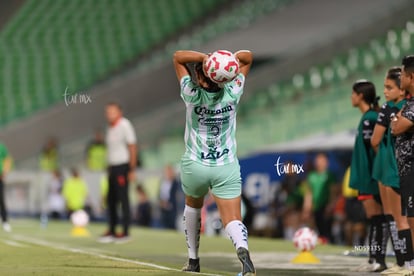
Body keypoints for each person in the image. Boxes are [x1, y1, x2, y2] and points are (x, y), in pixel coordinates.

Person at [173, 49, 255, 275]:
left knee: (192, 206)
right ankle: (243, 251)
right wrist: (229, 59)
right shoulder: (233, 90)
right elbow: (247, 57)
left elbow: (178, 57)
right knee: (232, 219)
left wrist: (203, 59)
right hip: (225, 165)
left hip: (195, 165)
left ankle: (193, 261)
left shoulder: (191, 93)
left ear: (200, 77)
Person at [371, 66, 412, 274]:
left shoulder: (391, 109)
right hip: (401, 167)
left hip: (396, 168)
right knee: (400, 218)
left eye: (389, 87)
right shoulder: (405, 107)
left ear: (402, 88)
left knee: (400, 218)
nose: (385, 91)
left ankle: (406, 263)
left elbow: (375, 140)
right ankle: (403, 263)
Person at [349, 80, 388, 272]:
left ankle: (379, 259)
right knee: (374, 220)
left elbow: (376, 147)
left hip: (371, 177)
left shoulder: (370, 118)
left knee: (378, 219)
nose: (351, 97)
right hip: (367, 177)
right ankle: (374, 258)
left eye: (353, 94)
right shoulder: (367, 117)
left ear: (361, 95)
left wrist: (378, 173)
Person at [99, 102, 137, 243]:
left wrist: (132, 169)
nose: (109, 115)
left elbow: (132, 146)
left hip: (122, 166)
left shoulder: (124, 125)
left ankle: (125, 231)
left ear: (119, 112)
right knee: (111, 200)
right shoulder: (109, 128)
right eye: (107, 112)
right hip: (113, 168)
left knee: (123, 199)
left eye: (112, 112)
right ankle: (112, 230)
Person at [391, 55, 414, 273]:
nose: (401, 79)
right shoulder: (410, 103)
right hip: (408, 170)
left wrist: (396, 119)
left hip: (413, 169)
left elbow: (396, 128)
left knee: (413, 218)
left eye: (403, 75)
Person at [302, 153, 338, 243]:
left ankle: (330, 243)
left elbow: (333, 192)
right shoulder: (312, 176)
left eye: (322, 160)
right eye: (318, 160)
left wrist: (331, 205)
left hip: (326, 206)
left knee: (327, 229)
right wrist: (306, 209)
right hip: (316, 207)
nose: (320, 163)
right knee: (317, 228)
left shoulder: (329, 175)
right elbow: (309, 194)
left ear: (327, 162)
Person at [159, 165, 180, 230]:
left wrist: (169, 203)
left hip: (172, 209)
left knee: (172, 227)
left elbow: (177, 196)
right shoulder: (162, 182)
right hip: (163, 209)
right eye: (166, 171)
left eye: (169, 171)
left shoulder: (176, 183)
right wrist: (161, 202)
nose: (168, 173)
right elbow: (160, 194)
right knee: (164, 227)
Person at [0, 142, 12, 232]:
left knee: (1, 200)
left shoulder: (2, 147)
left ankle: (5, 222)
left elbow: (7, 160)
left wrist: (5, 172)